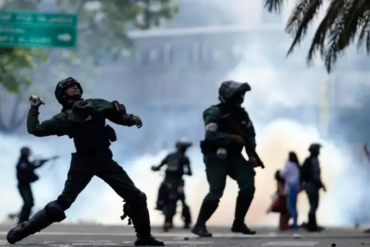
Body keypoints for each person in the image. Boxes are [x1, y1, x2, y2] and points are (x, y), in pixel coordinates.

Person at [6, 77, 164, 246]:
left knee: (136, 197)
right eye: (69, 87)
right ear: (62, 95)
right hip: (83, 162)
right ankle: (24, 229)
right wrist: (34, 107)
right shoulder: (63, 118)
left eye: (75, 85)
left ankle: (144, 238)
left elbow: (117, 115)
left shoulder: (96, 104)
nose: (74, 88)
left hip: (104, 159)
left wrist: (131, 119)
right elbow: (35, 129)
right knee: (62, 204)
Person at [191, 80, 259, 237]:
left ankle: (238, 223)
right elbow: (211, 135)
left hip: (235, 156)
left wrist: (251, 154)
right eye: (236, 96)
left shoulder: (242, 114)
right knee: (216, 191)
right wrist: (231, 138)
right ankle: (199, 225)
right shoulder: (215, 113)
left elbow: (250, 135)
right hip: (216, 157)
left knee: (248, 183)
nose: (240, 99)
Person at [151, 138, 193, 231]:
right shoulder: (185, 158)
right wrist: (185, 173)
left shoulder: (169, 156)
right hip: (178, 183)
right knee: (183, 201)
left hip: (167, 182)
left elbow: (158, 166)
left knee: (161, 195)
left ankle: (159, 204)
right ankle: (187, 222)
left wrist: (155, 168)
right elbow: (190, 172)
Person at [16, 147, 59, 224]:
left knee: (30, 203)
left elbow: (32, 167)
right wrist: (37, 163)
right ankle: (22, 220)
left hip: (26, 185)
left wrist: (42, 163)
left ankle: (24, 219)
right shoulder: (22, 163)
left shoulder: (25, 162)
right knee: (28, 203)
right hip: (23, 186)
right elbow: (28, 168)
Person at [300, 143, 325, 232]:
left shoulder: (309, 160)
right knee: (314, 205)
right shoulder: (313, 161)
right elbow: (315, 176)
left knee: (313, 205)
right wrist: (321, 185)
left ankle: (312, 224)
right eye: (318, 150)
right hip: (312, 185)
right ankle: (312, 225)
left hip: (310, 185)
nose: (319, 152)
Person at [279, 152, 301, 230]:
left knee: (290, 206)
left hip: (290, 187)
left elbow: (282, 174)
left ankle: (294, 224)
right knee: (294, 206)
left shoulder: (289, 165)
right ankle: (295, 222)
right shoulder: (297, 166)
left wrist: (286, 163)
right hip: (296, 187)